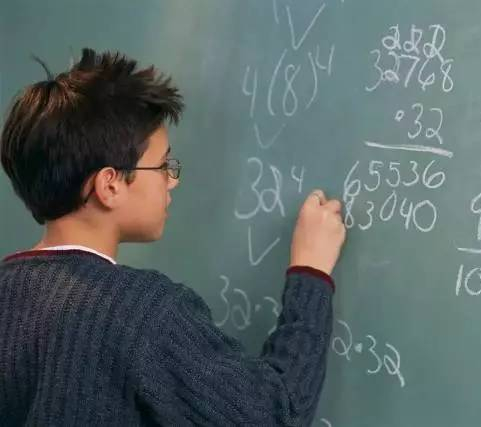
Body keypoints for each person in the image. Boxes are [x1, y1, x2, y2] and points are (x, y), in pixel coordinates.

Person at [0, 48, 346, 426]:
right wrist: (311, 272)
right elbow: (276, 416)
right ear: (110, 185)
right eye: (163, 165)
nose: (172, 180)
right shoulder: (143, 314)